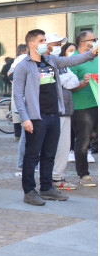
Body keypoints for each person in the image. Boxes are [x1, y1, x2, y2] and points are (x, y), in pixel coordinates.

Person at [13, 29, 97, 206]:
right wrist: (25, 118)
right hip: (36, 117)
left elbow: (72, 59)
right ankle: (29, 191)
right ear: (32, 44)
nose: (45, 43)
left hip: (53, 114)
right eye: (42, 40)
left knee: (49, 154)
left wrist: (92, 53)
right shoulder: (24, 66)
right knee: (32, 155)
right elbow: (18, 93)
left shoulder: (50, 60)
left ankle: (46, 188)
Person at [69, 30, 98, 187]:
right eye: (92, 39)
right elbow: (70, 86)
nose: (95, 41)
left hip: (97, 102)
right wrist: (84, 82)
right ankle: (84, 174)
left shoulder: (96, 57)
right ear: (82, 42)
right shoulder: (73, 60)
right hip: (82, 107)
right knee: (83, 141)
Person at [51, 38, 79, 190]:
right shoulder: (47, 64)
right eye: (56, 44)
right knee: (56, 146)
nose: (58, 47)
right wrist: (64, 79)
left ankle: (57, 175)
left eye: (59, 45)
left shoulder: (62, 64)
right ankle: (55, 177)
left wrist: (64, 79)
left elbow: (73, 82)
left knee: (64, 146)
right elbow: (55, 83)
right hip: (55, 111)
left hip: (66, 110)